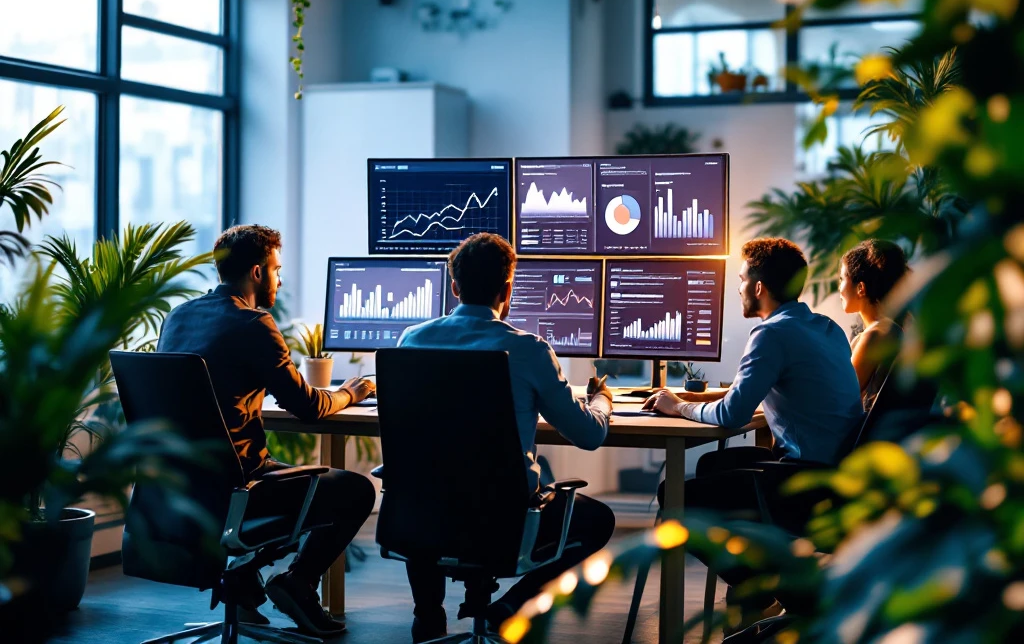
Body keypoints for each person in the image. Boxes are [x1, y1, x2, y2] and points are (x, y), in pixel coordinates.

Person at [157, 224, 376, 637]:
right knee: (355, 490)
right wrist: (350, 392)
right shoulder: (254, 323)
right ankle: (297, 582)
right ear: (257, 272)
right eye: (276, 269)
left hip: (179, 485)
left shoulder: (178, 316)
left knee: (297, 478)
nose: (279, 278)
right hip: (239, 488)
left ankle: (241, 581)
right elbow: (309, 406)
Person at [397, 233, 616, 642]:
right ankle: (510, 607)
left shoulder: (412, 340)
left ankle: (428, 615)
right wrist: (601, 400)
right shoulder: (529, 350)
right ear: (508, 289)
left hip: (422, 519)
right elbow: (588, 434)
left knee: (431, 486)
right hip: (503, 522)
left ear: (455, 286)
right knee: (597, 519)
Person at [644, 237, 864, 492]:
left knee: (672, 492)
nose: (739, 289)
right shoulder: (827, 328)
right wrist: (705, 397)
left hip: (803, 479)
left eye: (742, 280)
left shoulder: (771, 333)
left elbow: (733, 415)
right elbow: (794, 388)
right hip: (837, 470)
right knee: (711, 464)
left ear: (758, 288)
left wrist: (679, 407)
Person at [839, 239, 909, 410]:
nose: (839, 288)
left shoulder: (876, 334)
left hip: (866, 436)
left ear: (860, 288)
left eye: (842, 279)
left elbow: (841, 398)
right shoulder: (890, 329)